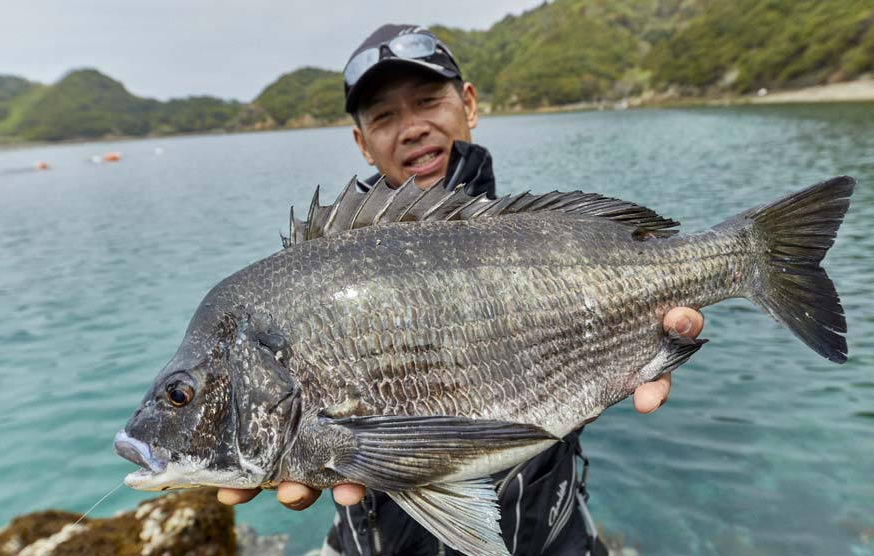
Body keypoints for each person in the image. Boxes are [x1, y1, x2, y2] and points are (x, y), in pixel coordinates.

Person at [218, 24, 704, 555]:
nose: (412, 128)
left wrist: (648, 333)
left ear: (468, 104)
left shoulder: (547, 239)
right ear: (361, 142)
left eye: (428, 101)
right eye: (383, 116)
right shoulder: (317, 272)